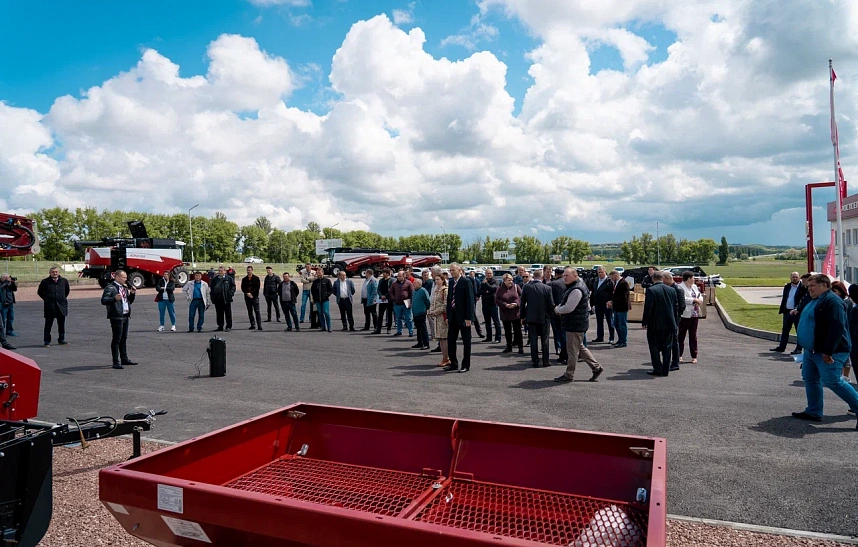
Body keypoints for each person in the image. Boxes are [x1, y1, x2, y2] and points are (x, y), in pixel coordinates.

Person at [791, 274, 858, 429]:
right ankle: (813, 411)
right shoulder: (816, 299)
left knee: (833, 381)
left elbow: (836, 328)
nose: (809, 289)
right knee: (810, 378)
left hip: (829, 351)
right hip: (811, 350)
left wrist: (828, 351)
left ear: (824, 285)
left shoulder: (832, 302)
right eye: (808, 286)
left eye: (812, 286)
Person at [554, 267, 603, 383]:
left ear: (575, 276)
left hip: (575, 324)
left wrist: (557, 309)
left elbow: (569, 308)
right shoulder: (575, 286)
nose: (564, 278)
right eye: (564, 276)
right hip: (576, 323)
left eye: (567, 276)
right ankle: (596, 367)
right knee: (579, 347)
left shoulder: (576, 289)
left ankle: (569, 374)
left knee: (572, 351)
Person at [641, 271, 677, 377]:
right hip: (670, 323)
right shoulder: (672, 290)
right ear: (662, 278)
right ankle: (665, 369)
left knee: (654, 347)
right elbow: (675, 307)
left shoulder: (651, 290)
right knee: (667, 347)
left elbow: (648, 308)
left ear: (653, 279)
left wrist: (645, 322)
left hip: (655, 324)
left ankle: (657, 368)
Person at [101, 270, 137, 369]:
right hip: (116, 316)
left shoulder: (124, 288)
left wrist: (132, 294)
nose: (126, 279)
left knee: (123, 338)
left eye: (126, 277)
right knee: (117, 338)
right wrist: (114, 299)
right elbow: (103, 300)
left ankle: (124, 358)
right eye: (124, 277)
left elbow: (128, 302)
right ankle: (115, 361)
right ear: (117, 277)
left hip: (125, 315)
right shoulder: (110, 288)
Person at [520, 269, 554, 368]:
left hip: (531, 317)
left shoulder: (526, 287)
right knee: (545, 340)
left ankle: (535, 361)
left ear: (533, 277)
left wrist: (522, 317)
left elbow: (522, 304)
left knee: (533, 339)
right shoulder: (547, 288)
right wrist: (551, 315)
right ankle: (545, 361)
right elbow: (551, 304)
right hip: (544, 317)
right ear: (542, 277)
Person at [444, 263, 474, 372]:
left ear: (459, 270)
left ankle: (465, 365)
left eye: (453, 270)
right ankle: (453, 363)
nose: (451, 272)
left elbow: (470, 301)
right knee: (451, 341)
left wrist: (468, 318)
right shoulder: (451, 282)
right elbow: (449, 300)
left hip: (463, 316)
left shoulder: (466, 282)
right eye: (450, 271)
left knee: (466, 342)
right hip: (453, 315)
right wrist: (448, 316)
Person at [771, 272, 808, 354]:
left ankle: (798, 349)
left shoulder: (803, 287)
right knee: (785, 330)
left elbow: (803, 300)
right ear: (790, 278)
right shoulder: (787, 286)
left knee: (799, 331)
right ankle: (781, 347)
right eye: (793, 277)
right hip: (787, 312)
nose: (794, 278)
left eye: (796, 277)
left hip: (797, 313)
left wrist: (797, 309)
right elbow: (785, 298)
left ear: (799, 278)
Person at [37, 266, 70, 347]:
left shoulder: (64, 281)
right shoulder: (45, 282)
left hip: (61, 306)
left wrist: (61, 298)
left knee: (61, 324)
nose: (55, 273)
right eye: (53, 272)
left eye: (56, 272)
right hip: (50, 306)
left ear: (59, 272)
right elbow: (40, 292)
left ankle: (61, 339)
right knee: (48, 324)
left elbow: (67, 291)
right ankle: (46, 341)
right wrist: (47, 299)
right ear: (50, 273)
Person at [662, 271, 686, 371]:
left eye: (663, 279)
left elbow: (682, 306)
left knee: (674, 341)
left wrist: (675, 317)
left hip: (674, 319)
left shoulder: (678, 289)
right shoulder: (669, 288)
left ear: (667, 279)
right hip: (668, 318)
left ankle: (675, 362)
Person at [678, 272, 703, 363]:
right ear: (688, 279)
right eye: (693, 278)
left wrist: (699, 300)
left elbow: (699, 295)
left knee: (693, 335)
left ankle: (694, 356)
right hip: (685, 315)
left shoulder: (694, 287)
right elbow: (682, 299)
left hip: (694, 314)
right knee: (681, 335)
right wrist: (693, 300)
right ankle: (679, 355)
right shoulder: (680, 287)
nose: (694, 280)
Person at [496, 273, 523, 354]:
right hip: (505, 313)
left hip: (515, 313)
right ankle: (509, 346)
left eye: (511, 280)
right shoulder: (500, 289)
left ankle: (520, 347)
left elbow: (522, 297)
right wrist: (505, 305)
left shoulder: (516, 287)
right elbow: (497, 300)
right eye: (509, 280)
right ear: (504, 281)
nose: (511, 282)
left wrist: (516, 304)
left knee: (517, 330)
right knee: (507, 331)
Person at [428, 274, 450, 366]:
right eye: (435, 280)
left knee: (444, 338)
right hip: (437, 317)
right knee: (440, 338)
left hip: (443, 317)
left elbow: (445, 305)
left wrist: (435, 312)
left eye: (438, 279)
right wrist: (431, 310)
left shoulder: (445, 290)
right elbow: (433, 302)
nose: (436, 281)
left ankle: (447, 358)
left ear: (442, 280)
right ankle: (444, 357)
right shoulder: (436, 290)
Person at [590, 266, 615, 344]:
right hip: (598, 304)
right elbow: (593, 292)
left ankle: (612, 338)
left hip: (607, 304)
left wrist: (611, 301)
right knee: (599, 321)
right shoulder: (596, 280)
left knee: (610, 321)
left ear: (605, 272)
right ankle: (600, 337)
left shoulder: (609, 281)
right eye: (599, 272)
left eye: (601, 272)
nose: (600, 274)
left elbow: (613, 293)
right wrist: (592, 303)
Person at [607, 269, 630, 348]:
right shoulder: (616, 283)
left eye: (612, 277)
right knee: (616, 324)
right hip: (617, 308)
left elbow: (623, 297)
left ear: (616, 275)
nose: (611, 279)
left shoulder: (624, 283)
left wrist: (612, 302)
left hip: (622, 307)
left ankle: (623, 341)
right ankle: (620, 339)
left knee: (622, 324)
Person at [478, 269, 502, 343]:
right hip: (485, 304)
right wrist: (486, 291)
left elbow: (493, 289)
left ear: (492, 274)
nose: (489, 275)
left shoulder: (496, 281)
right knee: (487, 322)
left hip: (493, 304)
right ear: (485, 274)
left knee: (496, 321)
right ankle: (489, 337)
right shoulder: (483, 281)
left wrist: (487, 285)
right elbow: (479, 291)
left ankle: (498, 338)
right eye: (487, 273)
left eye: (490, 273)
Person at [549, 268, 567, 359]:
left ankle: (561, 351)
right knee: (566, 333)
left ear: (555, 274)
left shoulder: (552, 284)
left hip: (556, 312)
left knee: (558, 333)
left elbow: (549, 300)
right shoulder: (568, 283)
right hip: (567, 311)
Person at [210, 266, 236, 332]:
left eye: (221, 271)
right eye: (219, 271)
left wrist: (230, 294)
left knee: (228, 313)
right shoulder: (215, 279)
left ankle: (228, 326)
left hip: (226, 298)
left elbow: (233, 286)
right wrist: (212, 297)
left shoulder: (229, 278)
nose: (220, 272)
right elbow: (212, 288)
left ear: (225, 271)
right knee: (219, 313)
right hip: (217, 299)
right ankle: (220, 326)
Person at [389, 270, 414, 337]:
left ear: (404, 276)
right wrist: (393, 298)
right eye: (398, 276)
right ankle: (399, 331)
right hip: (397, 303)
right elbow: (391, 292)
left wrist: (411, 302)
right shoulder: (394, 284)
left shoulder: (409, 283)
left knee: (408, 318)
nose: (398, 277)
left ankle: (411, 331)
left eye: (400, 276)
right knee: (398, 318)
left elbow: (412, 293)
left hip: (406, 302)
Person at [311, 268, 334, 332]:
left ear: (322, 273)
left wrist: (327, 295)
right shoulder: (315, 282)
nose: (318, 274)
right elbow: (312, 290)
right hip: (318, 300)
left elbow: (331, 289)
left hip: (325, 300)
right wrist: (314, 298)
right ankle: (323, 327)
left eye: (319, 273)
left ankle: (329, 327)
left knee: (326, 313)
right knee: (320, 313)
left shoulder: (327, 280)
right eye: (317, 273)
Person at [411, 278, 431, 350]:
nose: (413, 284)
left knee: (423, 328)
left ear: (419, 284)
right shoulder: (414, 291)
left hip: (421, 312)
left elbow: (427, 301)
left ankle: (426, 343)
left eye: (415, 283)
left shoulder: (423, 290)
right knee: (418, 329)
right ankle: (420, 342)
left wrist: (427, 308)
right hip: (415, 312)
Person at [241, 265, 263, 330]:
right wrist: (247, 293)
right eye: (247, 270)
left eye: (250, 270)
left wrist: (251, 293)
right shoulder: (244, 279)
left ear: (252, 270)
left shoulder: (256, 278)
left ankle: (259, 325)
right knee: (250, 311)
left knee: (257, 311)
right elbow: (243, 287)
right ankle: (252, 324)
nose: (248, 271)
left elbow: (257, 287)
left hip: (255, 297)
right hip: (247, 297)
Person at [373, 269, 394, 334]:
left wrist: (385, 296)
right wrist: (381, 295)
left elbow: (391, 290)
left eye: (384, 273)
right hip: (382, 300)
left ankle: (389, 328)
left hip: (389, 300)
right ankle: (378, 329)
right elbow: (378, 289)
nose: (383, 274)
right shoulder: (381, 280)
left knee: (389, 314)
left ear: (387, 273)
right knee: (380, 315)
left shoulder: (392, 280)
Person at [468, 270, 485, 339]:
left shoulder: (472, 280)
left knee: (474, 318)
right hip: (463, 304)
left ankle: (479, 332)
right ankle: (468, 334)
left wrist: (476, 296)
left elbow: (475, 288)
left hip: (471, 301)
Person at [421, 269, 435, 341]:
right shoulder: (422, 283)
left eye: (427, 275)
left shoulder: (431, 282)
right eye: (424, 275)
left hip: (429, 303)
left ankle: (433, 335)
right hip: (422, 304)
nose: (426, 276)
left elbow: (429, 293)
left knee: (431, 321)